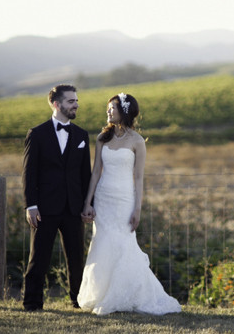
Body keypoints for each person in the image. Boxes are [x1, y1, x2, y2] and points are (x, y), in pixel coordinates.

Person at [77, 92, 181, 315]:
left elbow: (139, 177)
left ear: (124, 112)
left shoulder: (137, 141)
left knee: (124, 244)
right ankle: (103, 294)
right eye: (108, 108)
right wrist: (88, 203)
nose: (108, 112)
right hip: (104, 199)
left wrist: (137, 208)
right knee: (102, 242)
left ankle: (127, 294)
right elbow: (95, 172)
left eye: (112, 108)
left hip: (125, 200)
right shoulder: (102, 138)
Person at [22, 84, 91, 311]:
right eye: (71, 101)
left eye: (76, 100)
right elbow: (29, 173)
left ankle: (77, 301)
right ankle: (32, 303)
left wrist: (89, 204)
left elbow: (85, 175)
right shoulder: (37, 134)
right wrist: (31, 205)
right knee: (39, 257)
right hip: (45, 207)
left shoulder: (81, 135)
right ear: (56, 104)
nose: (76, 105)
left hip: (73, 207)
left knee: (76, 258)